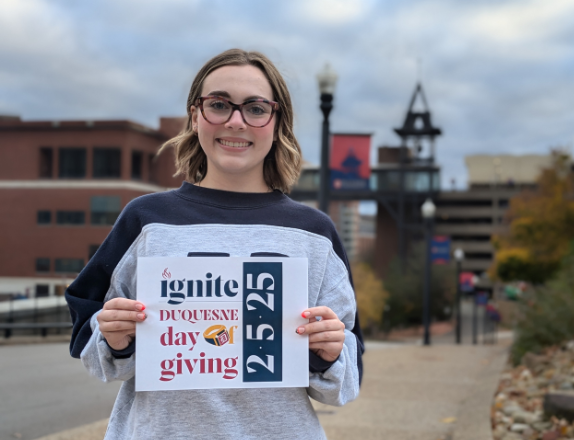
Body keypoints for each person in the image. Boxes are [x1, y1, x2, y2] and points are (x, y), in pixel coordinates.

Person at [65, 48, 363, 440]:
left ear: (276, 122)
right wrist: (115, 339)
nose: (236, 121)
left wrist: (326, 352)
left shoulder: (314, 233)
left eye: (256, 108)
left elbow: (344, 380)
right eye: (219, 104)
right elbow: (90, 340)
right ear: (195, 116)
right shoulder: (145, 221)